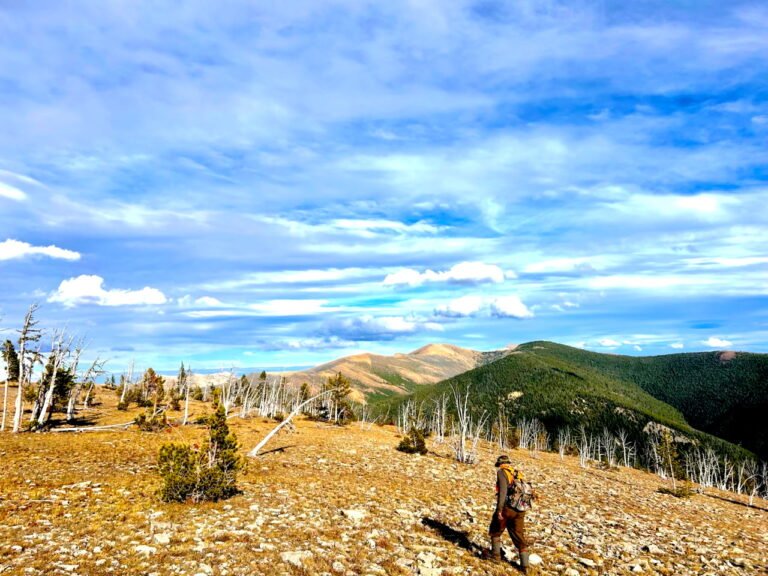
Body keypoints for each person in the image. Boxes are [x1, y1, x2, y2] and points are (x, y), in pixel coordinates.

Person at [488, 454, 530, 572]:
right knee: (518, 535)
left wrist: (499, 510)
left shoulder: (502, 473)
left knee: (495, 530)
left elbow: (503, 492)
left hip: (508, 508)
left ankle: (495, 557)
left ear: (500, 464)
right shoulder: (516, 473)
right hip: (520, 509)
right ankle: (525, 567)